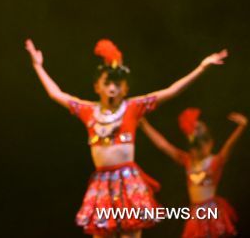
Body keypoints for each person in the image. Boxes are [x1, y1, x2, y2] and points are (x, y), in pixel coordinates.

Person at [25, 38, 227, 238]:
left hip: (128, 182)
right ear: (97, 86)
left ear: (125, 88)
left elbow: (171, 91)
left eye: (117, 84)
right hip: (102, 183)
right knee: (102, 231)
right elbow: (56, 94)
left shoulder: (133, 107)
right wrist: (38, 67)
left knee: (131, 232)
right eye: (107, 83)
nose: (112, 88)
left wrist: (202, 68)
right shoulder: (88, 110)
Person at [139, 109, 245, 237]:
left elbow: (229, 145)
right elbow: (164, 146)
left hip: (211, 211)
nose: (197, 151)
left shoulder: (215, 162)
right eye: (194, 148)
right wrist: (144, 125)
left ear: (210, 143)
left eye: (201, 147)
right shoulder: (188, 160)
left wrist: (241, 127)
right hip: (196, 212)